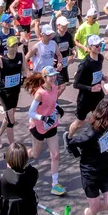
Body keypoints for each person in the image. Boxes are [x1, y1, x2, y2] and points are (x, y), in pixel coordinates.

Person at [66, 99, 108, 215]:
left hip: (105, 169)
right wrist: (70, 139)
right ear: (106, 115)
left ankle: (90, 212)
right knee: (94, 205)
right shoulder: (90, 135)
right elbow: (71, 143)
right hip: (90, 173)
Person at [24, 66, 65, 196]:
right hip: (39, 126)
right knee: (35, 154)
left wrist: (58, 107)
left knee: (56, 155)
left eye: (54, 75)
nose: (53, 78)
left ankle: (55, 184)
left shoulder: (54, 87)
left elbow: (52, 101)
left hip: (51, 125)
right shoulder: (39, 94)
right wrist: (43, 118)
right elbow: (30, 112)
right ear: (44, 78)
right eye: (51, 76)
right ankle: (17, 156)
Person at [0, 35, 24, 151]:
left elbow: (24, 70)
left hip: (15, 91)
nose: (15, 48)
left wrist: (25, 78)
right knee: (11, 120)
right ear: (7, 47)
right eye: (12, 46)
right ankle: (13, 147)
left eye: (16, 45)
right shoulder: (2, 61)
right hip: (4, 93)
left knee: (8, 117)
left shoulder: (21, 57)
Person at [73, 33, 107, 121]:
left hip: (98, 94)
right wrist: (91, 88)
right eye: (96, 46)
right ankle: (69, 135)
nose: (99, 47)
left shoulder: (100, 58)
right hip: (85, 98)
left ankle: (95, 133)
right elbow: (76, 84)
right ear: (90, 47)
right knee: (79, 122)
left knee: (100, 118)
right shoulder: (84, 64)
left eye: (100, 44)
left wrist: (103, 77)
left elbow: (95, 72)